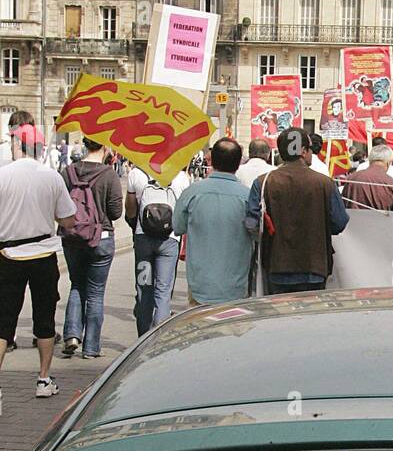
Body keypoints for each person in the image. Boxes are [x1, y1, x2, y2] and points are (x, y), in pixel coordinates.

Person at [0, 124, 76, 398]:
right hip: (44, 254)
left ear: (19, 145)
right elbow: (68, 219)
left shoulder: (2, 174)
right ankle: (44, 380)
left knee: (3, 322)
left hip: (8, 256)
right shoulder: (52, 177)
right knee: (45, 319)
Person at [246, 127, 348, 294]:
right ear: (303, 151)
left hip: (276, 264)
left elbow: (252, 224)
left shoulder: (263, 182)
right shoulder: (325, 183)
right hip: (315, 265)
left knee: (279, 317)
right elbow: (339, 222)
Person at [60, 136, 123, 358]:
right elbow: (116, 212)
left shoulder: (68, 172)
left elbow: (60, 205)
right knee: (95, 293)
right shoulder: (109, 174)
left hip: (72, 237)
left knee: (76, 284)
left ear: (85, 145)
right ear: (105, 147)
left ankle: (72, 335)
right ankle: (91, 347)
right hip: (101, 238)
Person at [172, 138, 253, 306]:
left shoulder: (192, 193)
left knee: (201, 330)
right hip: (236, 287)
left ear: (211, 160)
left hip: (200, 284)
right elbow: (257, 233)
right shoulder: (248, 197)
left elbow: (178, 226)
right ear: (238, 163)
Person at [126, 161, 190, 335]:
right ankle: (157, 340)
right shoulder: (181, 177)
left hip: (143, 240)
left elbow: (130, 211)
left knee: (143, 289)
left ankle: (142, 338)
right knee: (163, 292)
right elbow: (184, 212)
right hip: (169, 241)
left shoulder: (136, 174)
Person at [341, 143, 393, 211]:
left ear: (370, 160)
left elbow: (343, 203)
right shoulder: (392, 184)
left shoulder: (352, 178)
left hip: (354, 220)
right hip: (381, 220)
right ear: (389, 163)